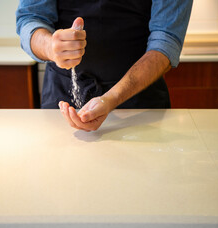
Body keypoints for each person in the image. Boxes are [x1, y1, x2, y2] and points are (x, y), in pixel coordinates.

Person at [16, 0, 193, 132]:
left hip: (139, 101)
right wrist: (50, 46)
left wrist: (111, 98)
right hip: (62, 97)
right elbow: (30, 18)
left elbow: (165, 42)